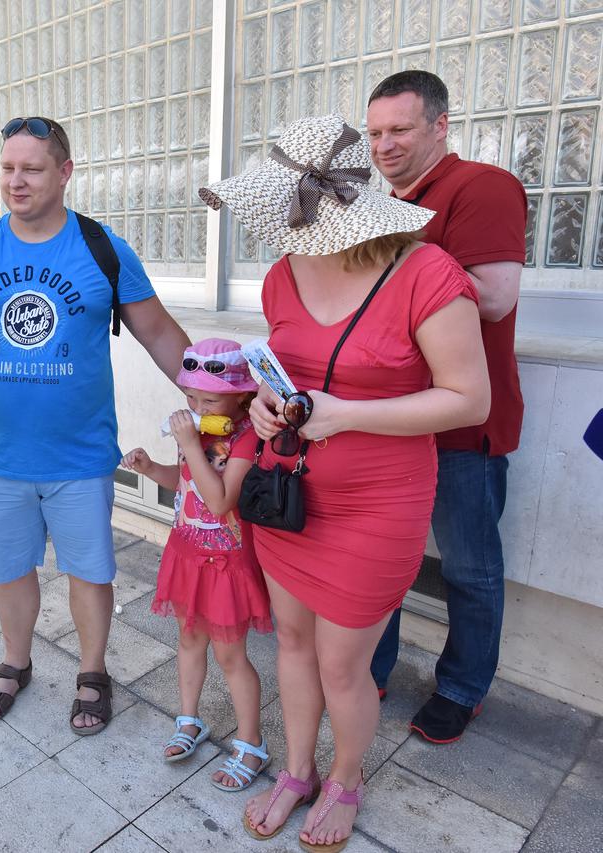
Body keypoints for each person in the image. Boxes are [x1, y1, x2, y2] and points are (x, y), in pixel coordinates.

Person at [198, 115, 490, 851]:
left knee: (342, 661)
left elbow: (468, 398)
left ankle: (347, 777)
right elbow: (293, 374)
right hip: (288, 491)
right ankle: (296, 769)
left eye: (292, 212)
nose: (281, 228)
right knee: (291, 640)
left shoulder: (426, 273)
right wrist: (266, 405)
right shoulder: (279, 274)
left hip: (377, 503)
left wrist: (349, 415)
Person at [0, 116, 192, 735]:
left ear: (65, 173)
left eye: (32, 169)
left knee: (90, 572)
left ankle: (93, 672)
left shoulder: (101, 248)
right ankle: (15, 662)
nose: (16, 182)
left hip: (79, 458)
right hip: (1, 457)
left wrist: (222, 399)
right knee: (9, 569)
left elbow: (159, 334)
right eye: (8, 168)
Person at [365, 70, 528, 744]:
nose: (384, 144)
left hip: (464, 421)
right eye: (374, 132)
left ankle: (462, 686)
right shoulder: (379, 204)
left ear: (440, 124)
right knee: (377, 557)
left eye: (399, 129)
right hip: (389, 416)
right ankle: (368, 667)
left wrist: (397, 254)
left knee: (468, 566)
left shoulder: (481, 187)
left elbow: (493, 297)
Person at [122, 338, 273, 790]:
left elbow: (221, 496)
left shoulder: (248, 438)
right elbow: (186, 482)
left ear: (243, 396)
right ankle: (188, 720)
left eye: (209, 399)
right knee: (188, 639)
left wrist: (189, 441)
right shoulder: (200, 434)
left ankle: (252, 743)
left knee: (230, 653)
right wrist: (152, 469)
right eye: (191, 396)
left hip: (226, 561)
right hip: (186, 553)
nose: (196, 405)